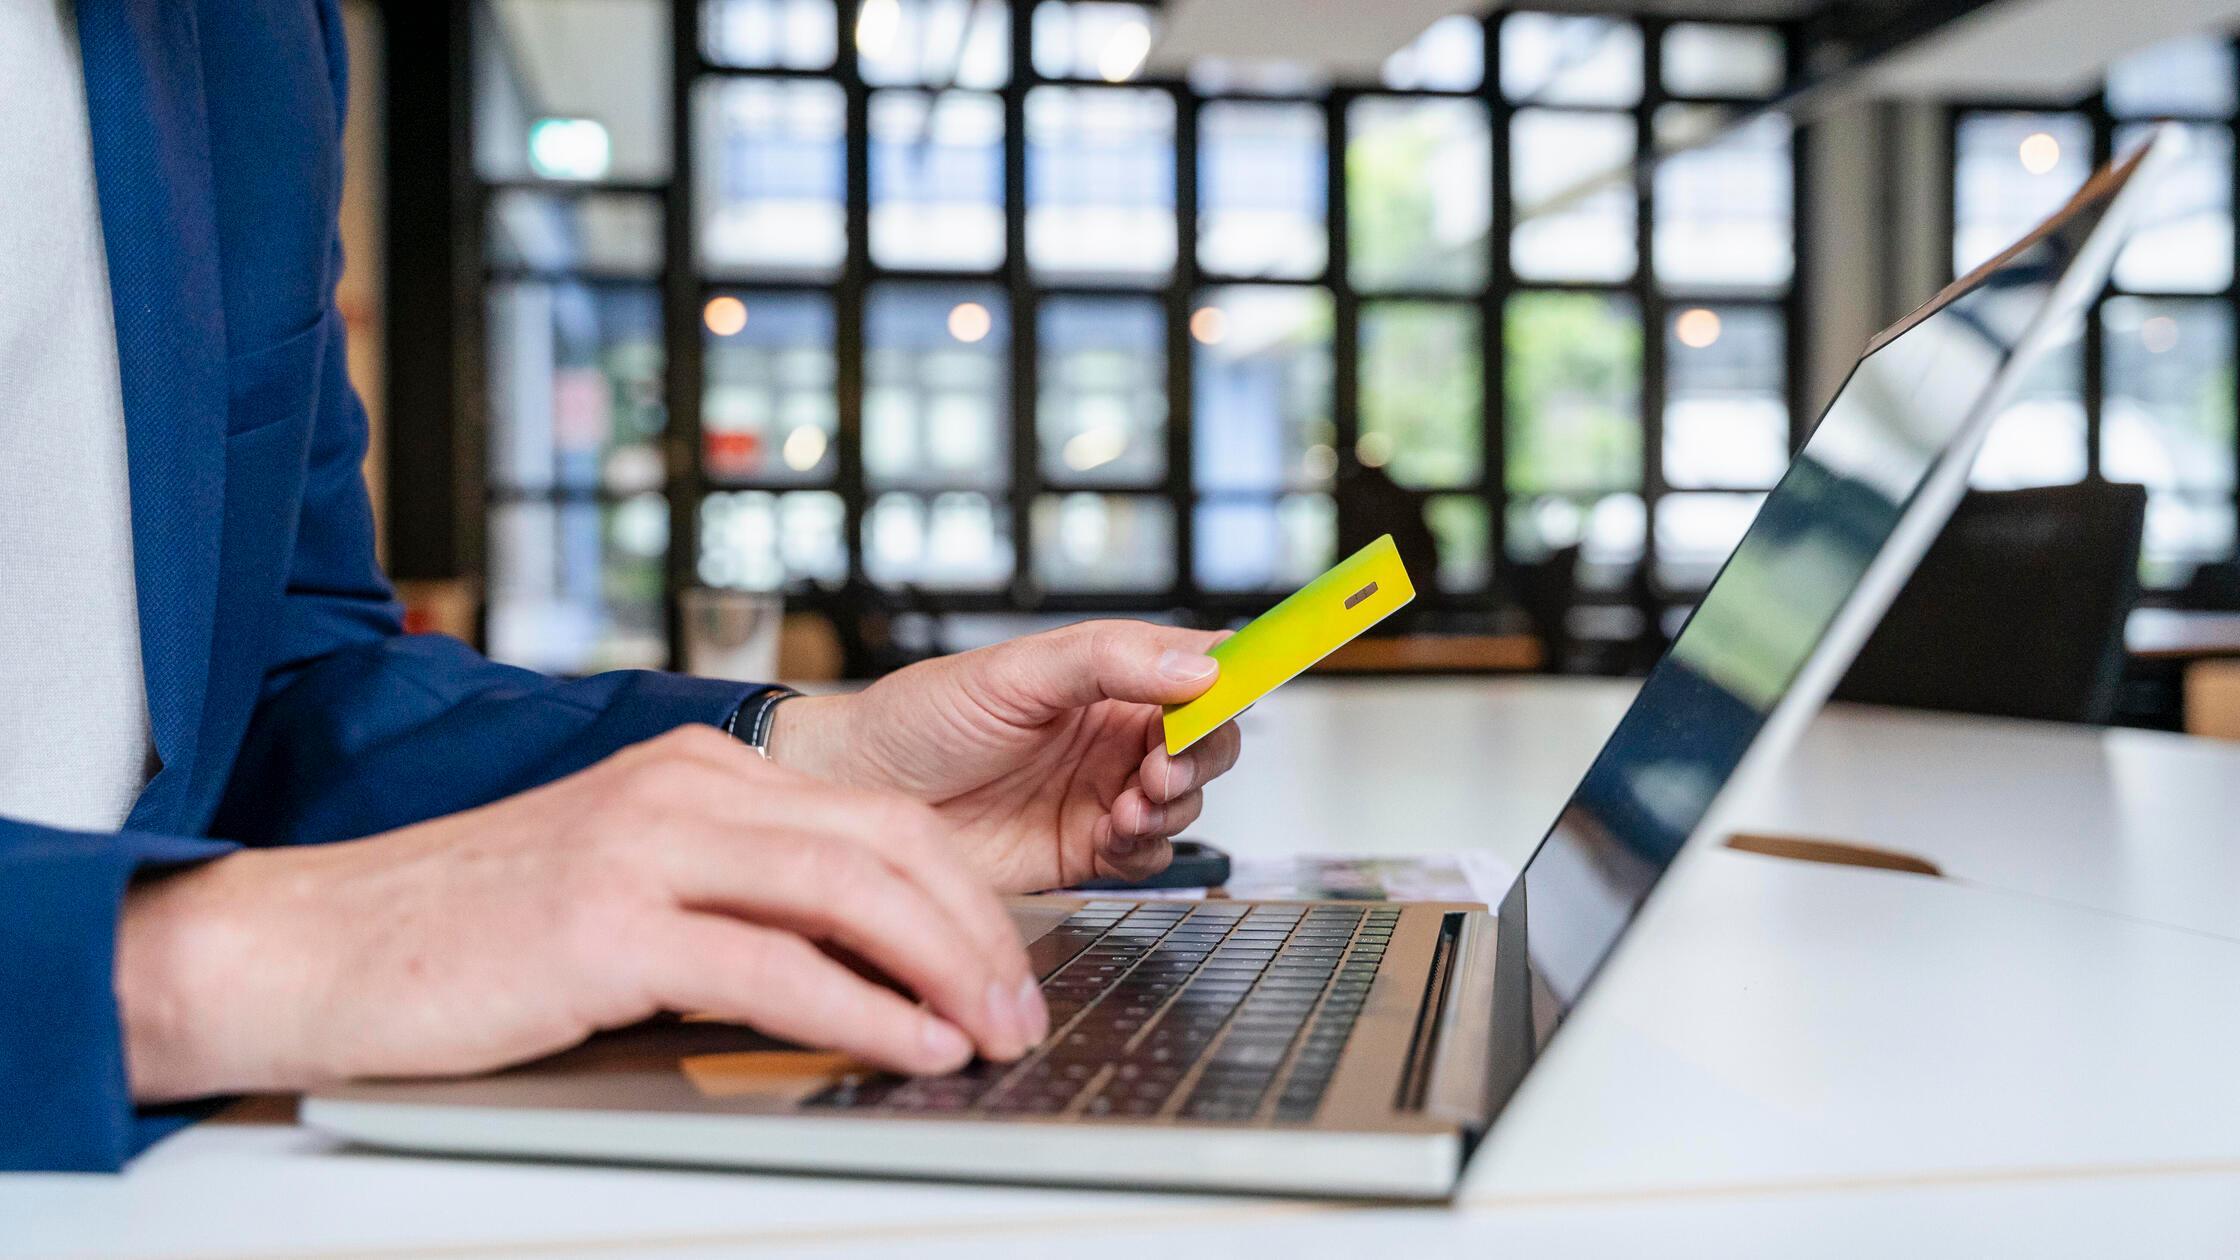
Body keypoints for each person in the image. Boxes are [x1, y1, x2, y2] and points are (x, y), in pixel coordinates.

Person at [0, 0, 1242, 1172]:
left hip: (186, 1172)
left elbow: (293, 681)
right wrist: (184, 962)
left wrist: (808, 769)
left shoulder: (254, 36)